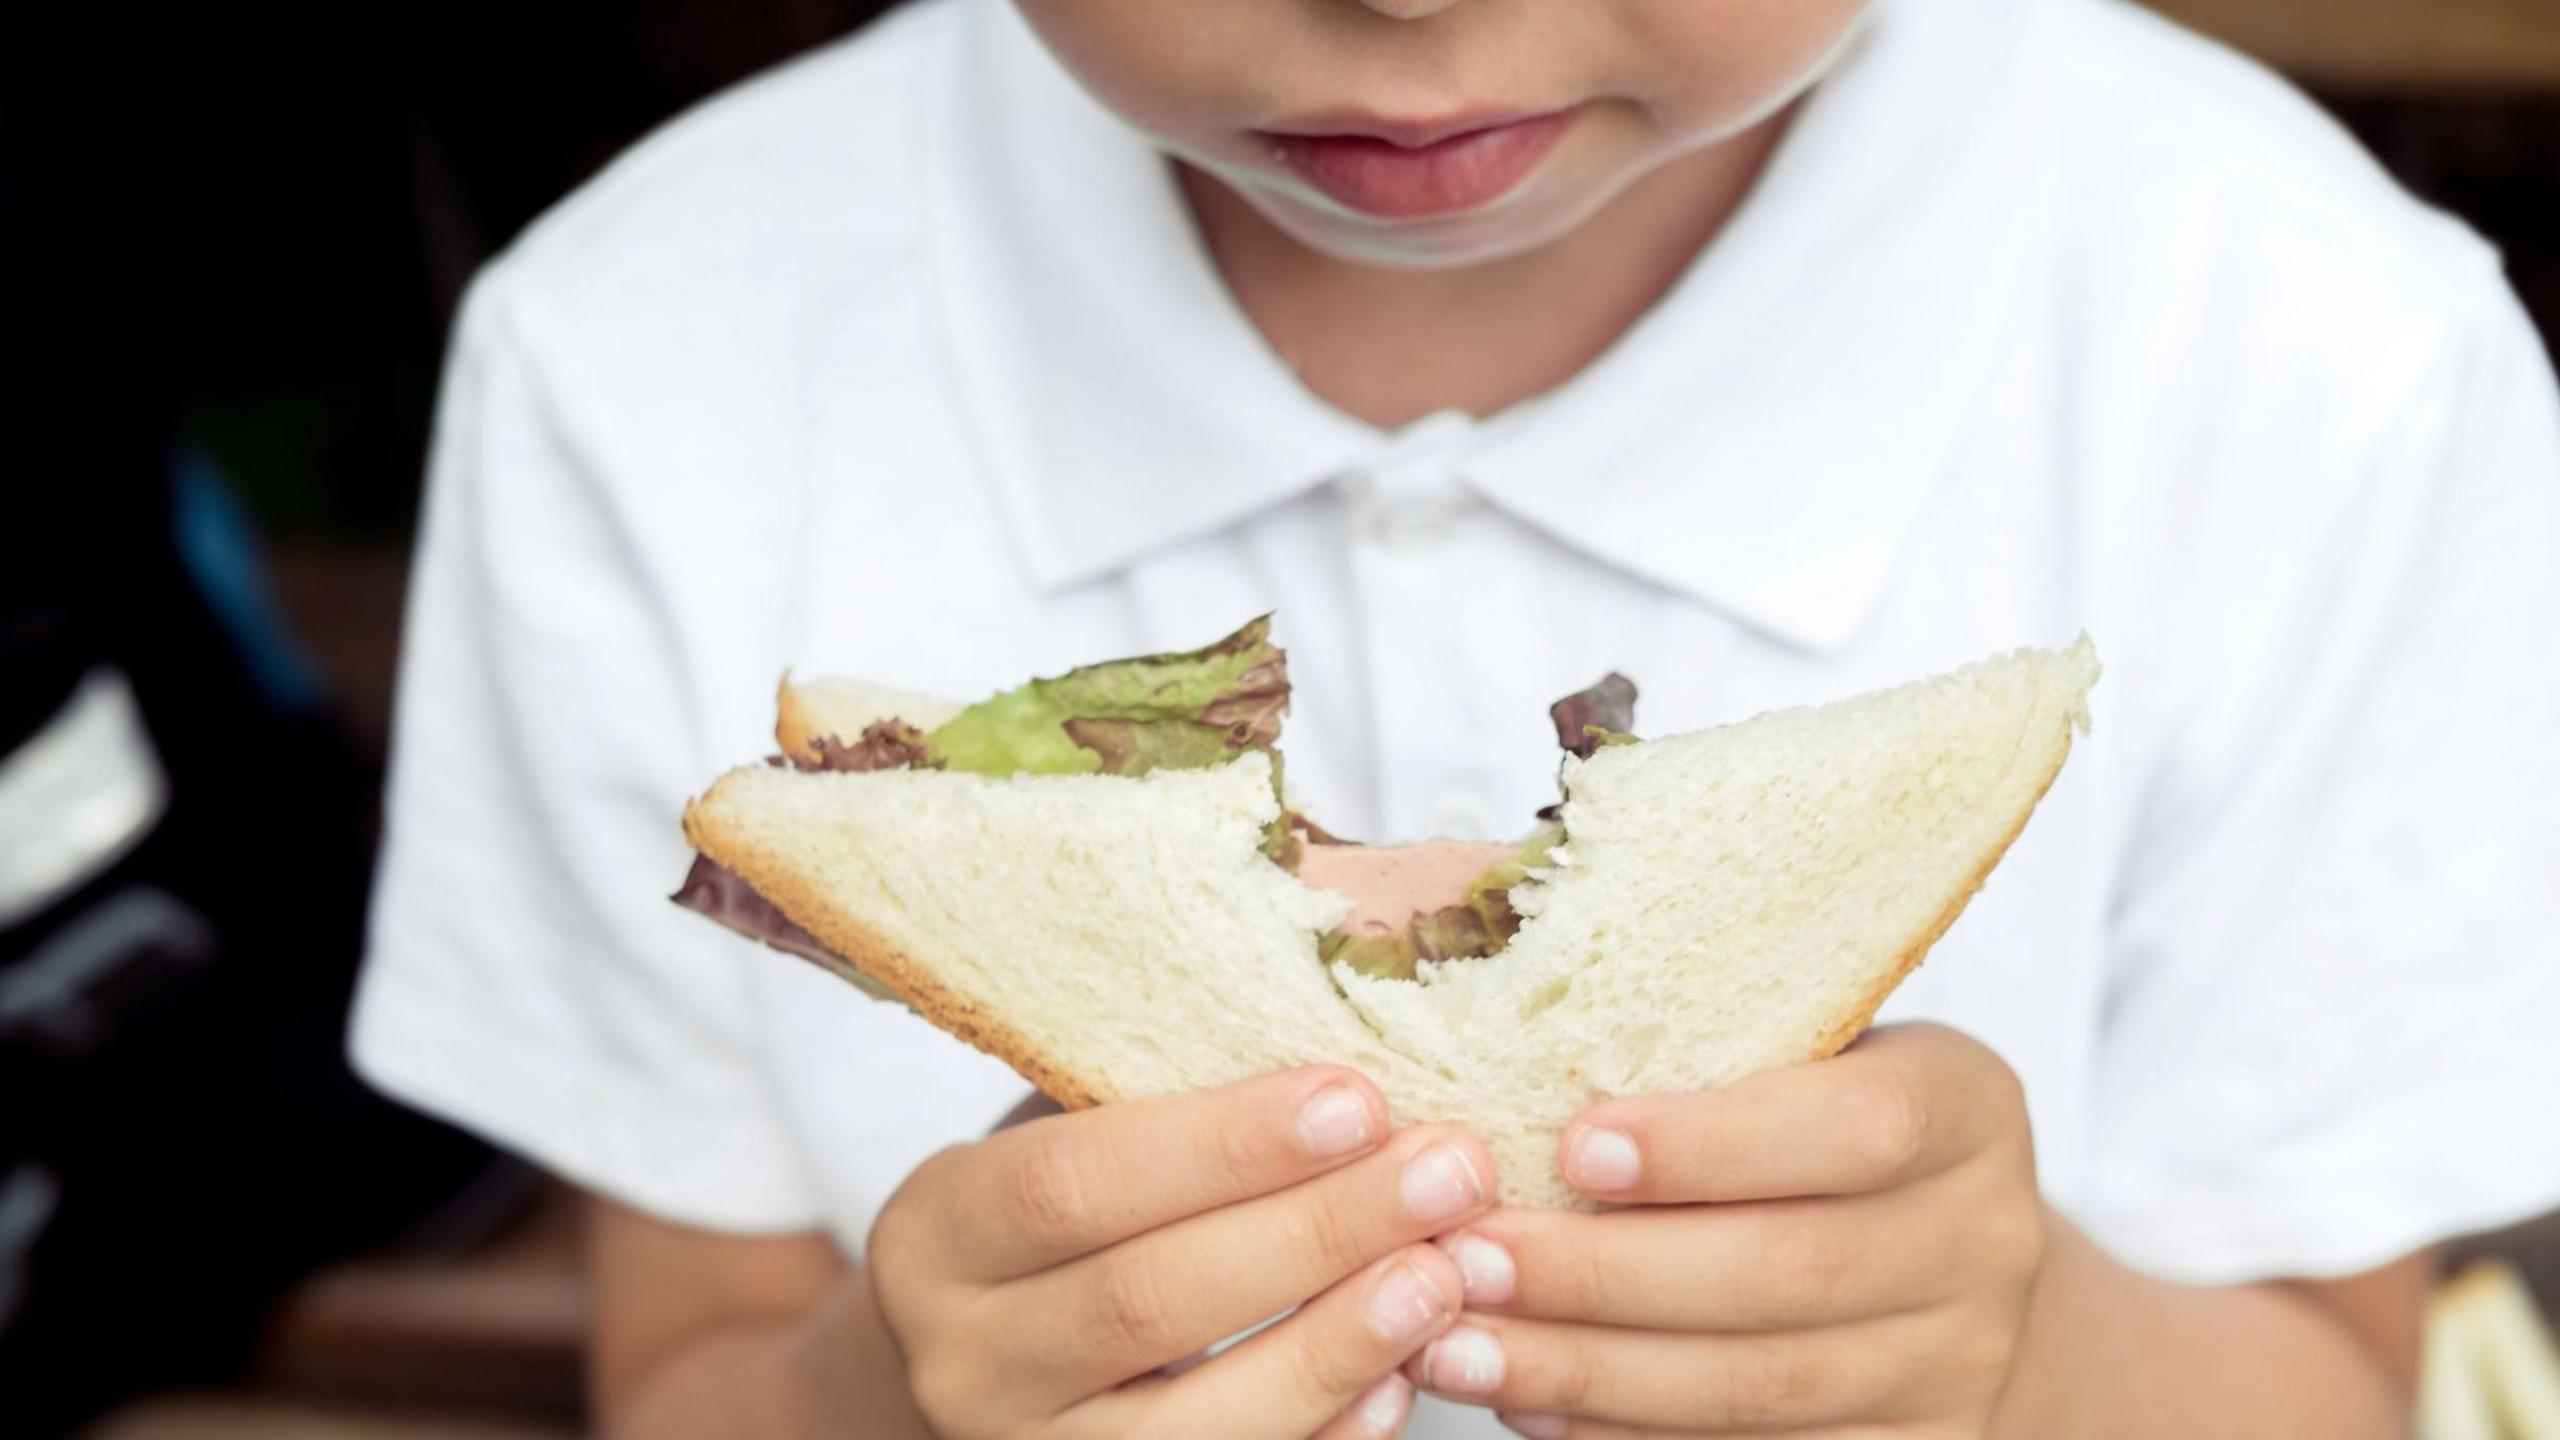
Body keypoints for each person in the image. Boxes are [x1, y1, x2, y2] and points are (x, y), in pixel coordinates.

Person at [348, 0, 2560, 1435]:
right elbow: (698, 1374)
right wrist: (897, 1390)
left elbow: (2318, 1382)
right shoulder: (634, 363)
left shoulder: (2314, 353)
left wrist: (2009, 1349)